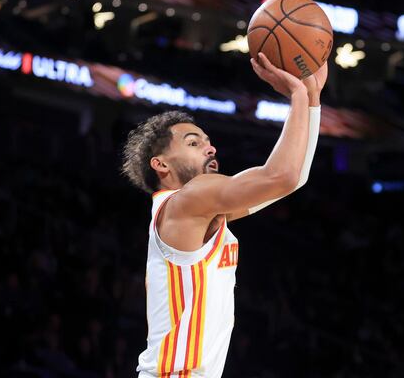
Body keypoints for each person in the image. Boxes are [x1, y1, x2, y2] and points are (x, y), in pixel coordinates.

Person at [121, 53, 327, 377]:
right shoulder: (187, 200)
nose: (211, 148)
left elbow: (292, 180)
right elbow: (281, 176)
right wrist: (299, 96)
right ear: (161, 164)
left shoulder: (200, 211)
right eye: (193, 142)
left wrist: (312, 100)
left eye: (208, 141)